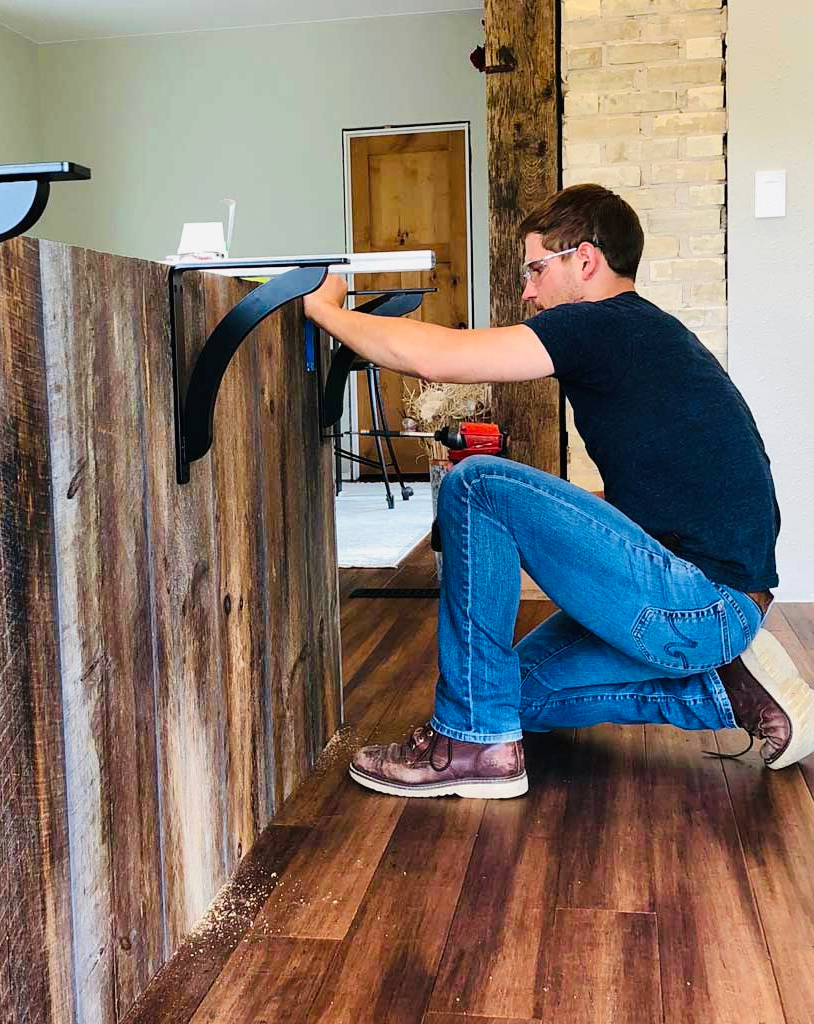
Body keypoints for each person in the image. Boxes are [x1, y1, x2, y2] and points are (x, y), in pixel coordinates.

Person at [302, 183, 814, 800]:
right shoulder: (645, 333)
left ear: (585, 260)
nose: (528, 290)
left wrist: (327, 311)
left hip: (698, 602)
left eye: (536, 269)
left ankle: (472, 747)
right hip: (713, 608)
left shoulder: (602, 324)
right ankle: (729, 688)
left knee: (478, 485)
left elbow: (437, 358)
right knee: (500, 695)